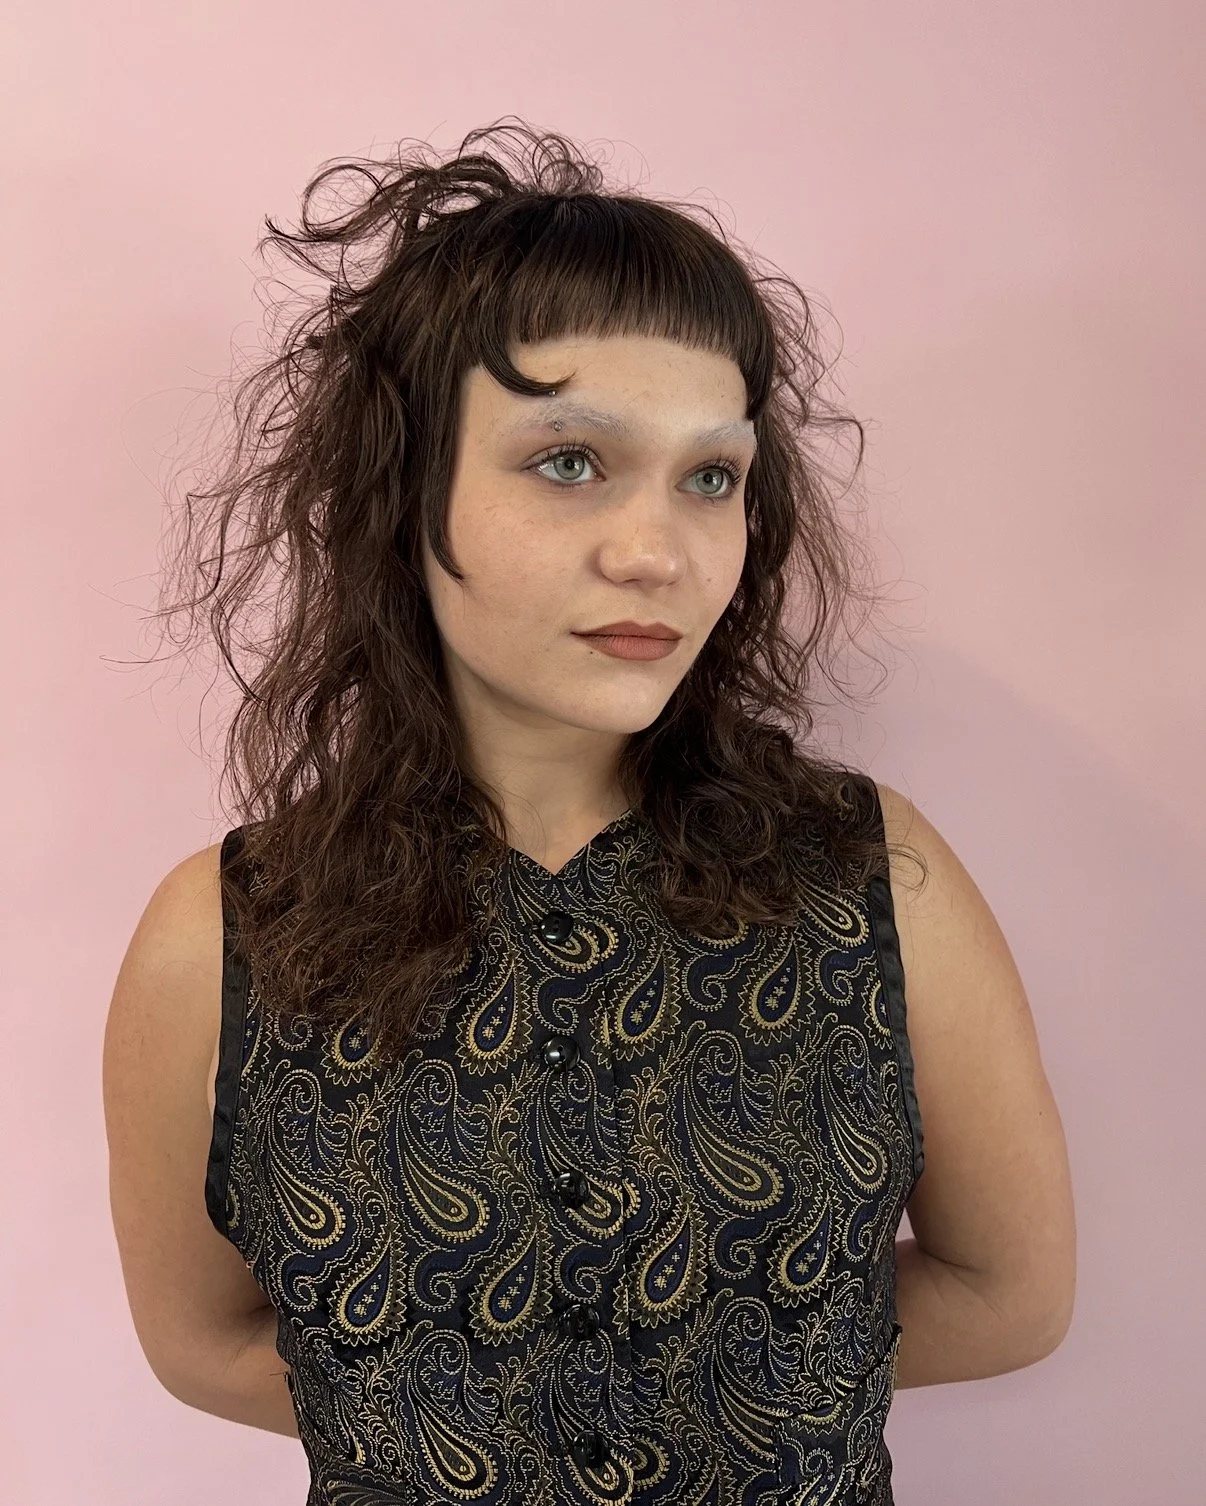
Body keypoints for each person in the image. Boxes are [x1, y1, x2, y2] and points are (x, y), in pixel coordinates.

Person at [103, 118, 1076, 1505]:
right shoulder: (221, 936)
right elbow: (201, 1342)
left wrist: (750, 1371)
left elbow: (1011, 1292)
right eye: (569, 460)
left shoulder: (869, 874)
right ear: (402, 485)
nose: (657, 550)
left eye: (709, 476)